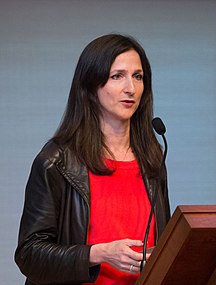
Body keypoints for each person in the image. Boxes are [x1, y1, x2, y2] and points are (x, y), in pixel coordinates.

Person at [15, 33, 170, 285]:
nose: (130, 88)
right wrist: (99, 253)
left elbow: (165, 244)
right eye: (117, 76)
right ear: (90, 85)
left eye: (138, 76)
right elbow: (29, 255)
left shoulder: (152, 161)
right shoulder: (56, 160)